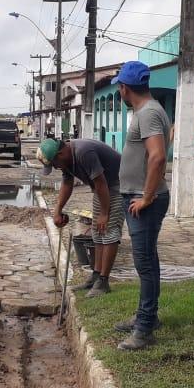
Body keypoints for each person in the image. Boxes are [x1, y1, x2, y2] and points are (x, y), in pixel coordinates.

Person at [114, 60, 170, 351]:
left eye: (120, 88)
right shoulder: (149, 110)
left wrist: (147, 197)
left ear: (125, 88)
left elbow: (157, 156)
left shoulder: (147, 113)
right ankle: (146, 317)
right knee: (148, 261)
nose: (120, 92)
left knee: (145, 264)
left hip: (144, 201)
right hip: (139, 197)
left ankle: (145, 328)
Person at [36, 137, 123, 298]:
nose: (55, 167)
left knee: (109, 232)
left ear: (61, 153)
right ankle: (96, 276)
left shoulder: (84, 152)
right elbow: (67, 184)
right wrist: (57, 211)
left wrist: (105, 213)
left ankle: (103, 282)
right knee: (97, 232)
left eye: (54, 163)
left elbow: (101, 182)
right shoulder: (67, 161)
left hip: (119, 184)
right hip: (101, 189)